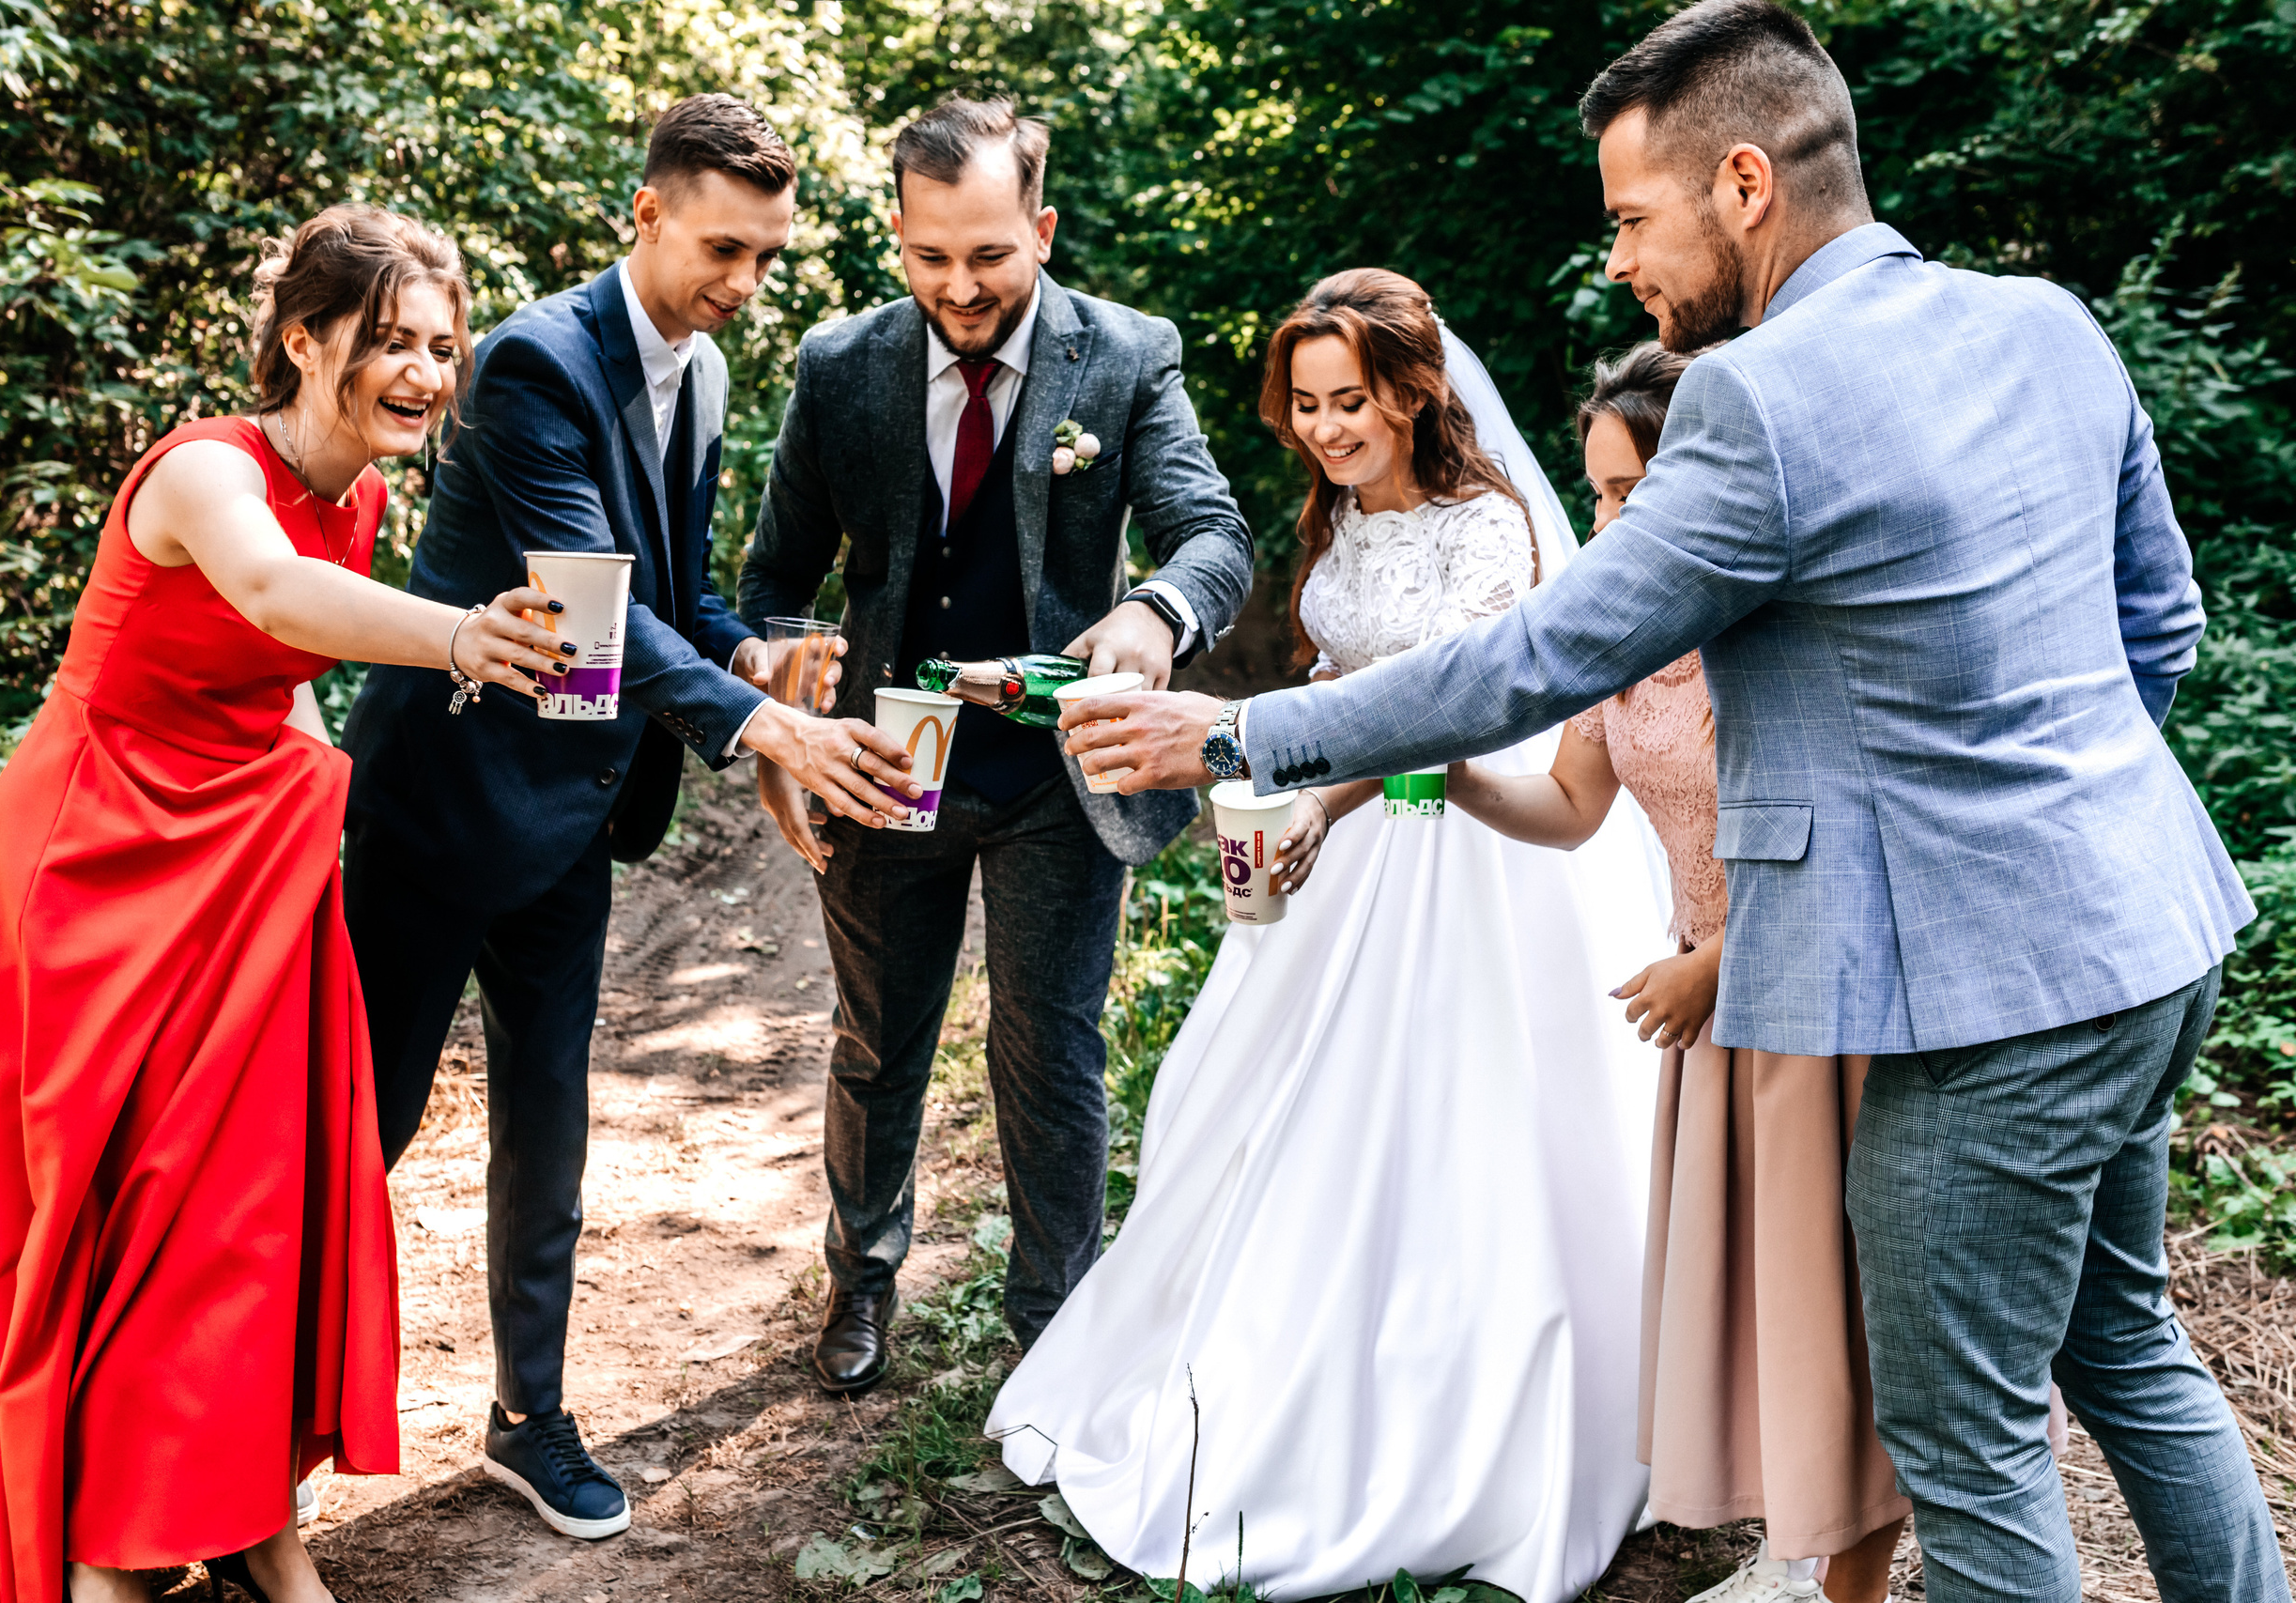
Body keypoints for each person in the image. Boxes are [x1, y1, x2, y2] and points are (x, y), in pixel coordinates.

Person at [1066, 5, 2287, 1599]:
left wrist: (1239, 735)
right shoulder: (2049, 320)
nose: (1623, 265)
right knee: (2126, 1344)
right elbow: (2162, 620)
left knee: (1963, 1433)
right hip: (2157, 922)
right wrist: (2067, 820)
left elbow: (1542, 655)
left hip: (1987, 1005)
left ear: (1743, 184)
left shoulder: (1756, 402)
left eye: (1635, 220)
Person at [984, 270, 1668, 1602]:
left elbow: (1446, 709)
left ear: (1417, 392)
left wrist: (1315, 800)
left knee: (1459, 1131)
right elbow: (1342, 683)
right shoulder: (1346, 518)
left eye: (1350, 401)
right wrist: (1291, 782)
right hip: (1347, 851)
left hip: (1466, 859)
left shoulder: (1494, 531)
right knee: (1262, 1106)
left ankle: (1467, 1424)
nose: (1326, 429)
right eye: (1305, 406)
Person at [0, 206, 567, 1603]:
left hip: (231, 868)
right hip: (91, 866)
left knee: (248, 1206)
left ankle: (239, 1513)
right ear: (304, 339)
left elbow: (276, 673)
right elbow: (269, 593)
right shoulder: (202, 471)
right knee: (128, 1210)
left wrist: (304, 832)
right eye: (390, 342)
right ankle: (117, 1547)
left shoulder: (357, 490)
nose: (424, 372)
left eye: (440, 346)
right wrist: (463, 635)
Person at [336, 94, 916, 1542]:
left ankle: (529, 1420)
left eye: (769, 257)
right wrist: (761, 723)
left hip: (577, 817)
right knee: (364, 1132)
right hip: (438, 805)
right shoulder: (535, 359)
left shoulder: (706, 372)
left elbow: (673, 596)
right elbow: (591, 610)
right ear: (645, 215)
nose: (745, 281)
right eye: (725, 247)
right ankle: (257, 1445)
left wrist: (754, 659)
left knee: (550, 1117)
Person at [737, 96, 1254, 1394]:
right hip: (885, 765)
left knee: (1051, 1046)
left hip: (1056, 773)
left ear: (1044, 225)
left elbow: (1214, 536)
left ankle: (1057, 1324)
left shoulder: (1127, 359)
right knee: (876, 1037)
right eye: (931, 257)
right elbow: (773, 581)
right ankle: (859, 1284)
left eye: (991, 255)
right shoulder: (840, 367)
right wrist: (783, 665)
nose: (960, 287)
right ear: (898, 235)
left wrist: (1153, 608)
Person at [1465, 341, 1910, 1603]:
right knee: (1771, 1306)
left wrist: (1719, 960)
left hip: (1824, 1001)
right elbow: (1566, 803)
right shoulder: (1621, 638)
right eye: (1594, 491)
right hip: (1710, 1016)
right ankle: (1799, 1542)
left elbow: (1860, 833)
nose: (1602, 521)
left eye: (1629, 494)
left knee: (1849, 1310)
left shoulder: (1781, 631)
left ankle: (1850, 1583)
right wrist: (1450, 772)